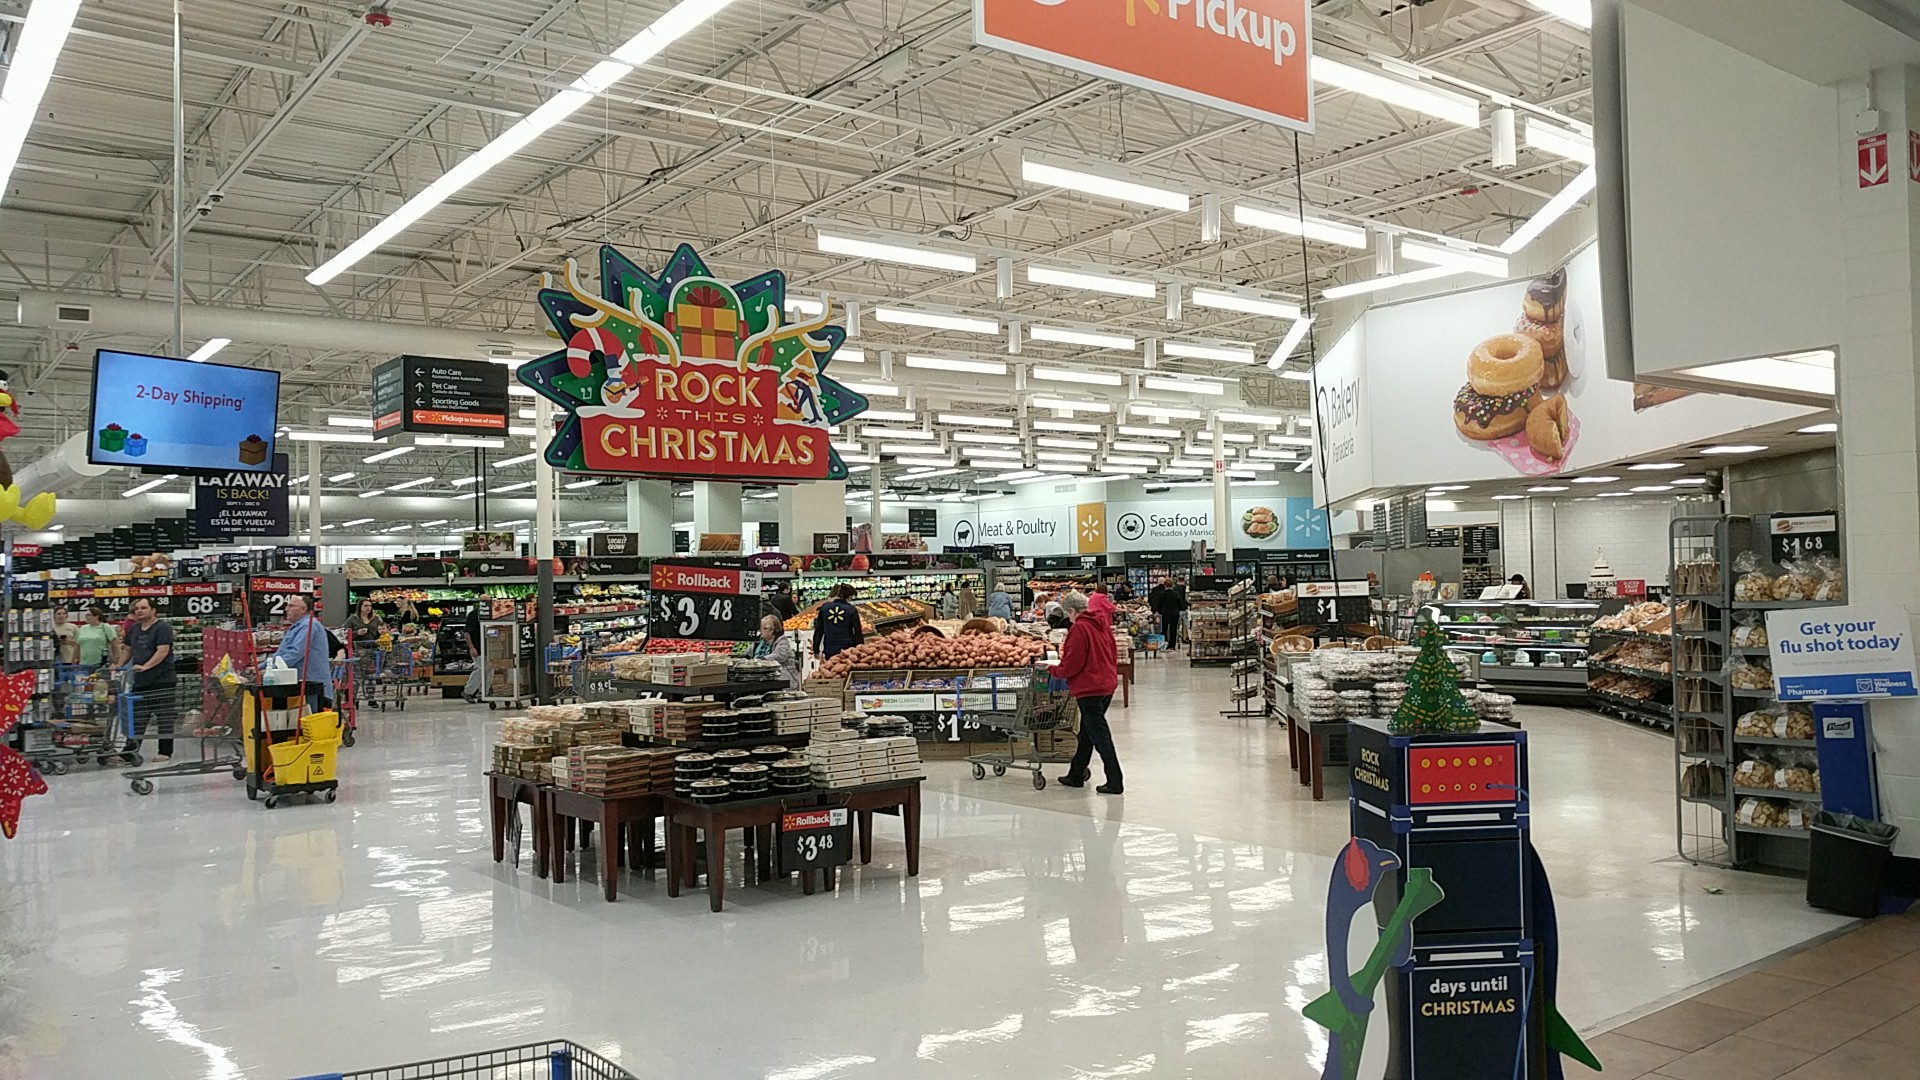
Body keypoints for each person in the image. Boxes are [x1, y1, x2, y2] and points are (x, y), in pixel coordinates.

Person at [1052, 591, 1121, 794]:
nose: (1069, 618)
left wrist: (1054, 670)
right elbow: (1113, 653)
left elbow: (1072, 663)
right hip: (1106, 684)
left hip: (1089, 687)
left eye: (1068, 614)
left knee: (1100, 735)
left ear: (1073, 611)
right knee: (1087, 732)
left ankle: (1115, 780)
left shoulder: (1079, 628)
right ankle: (1076, 774)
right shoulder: (1102, 624)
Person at [121, 597, 175, 763]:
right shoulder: (134, 629)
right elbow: (128, 649)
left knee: (164, 717)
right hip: (140, 680)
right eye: (137, 608)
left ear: (153, 610)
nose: (139, 611)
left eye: (143, 608)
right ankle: (129, 752)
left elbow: (162, 651)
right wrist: (117, 665)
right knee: (137, 718)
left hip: (162, 679)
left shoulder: (162, 628)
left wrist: (146, 666)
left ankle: (165, 752)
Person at [275, 595, 335, 716]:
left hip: (312, 689)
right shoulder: (296, 628)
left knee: (311, 723)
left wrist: (271, 669)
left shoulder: (309, 626)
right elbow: (280, 654)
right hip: (301, 688)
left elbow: (295, 653)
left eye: (291, 606)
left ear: (303, 609)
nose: (286, 609)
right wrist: (260, 667)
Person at [812, 584, 865, 659]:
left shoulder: (825, 607)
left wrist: (816, 649)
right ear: (849, 597)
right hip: (848, 649)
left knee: (831, 665)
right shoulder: (851, 609)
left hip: (830, 647)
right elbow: (857, 631)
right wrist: (861, 648)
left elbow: (819, 630)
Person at [750, 613, 801, 689]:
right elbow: (748, 653)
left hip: (783, 679)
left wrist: (762, 659)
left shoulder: (782, 641)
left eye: (764, 628)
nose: (761, 631)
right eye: (760, 628)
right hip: (763, 679)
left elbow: (779, 655)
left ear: (773, 630)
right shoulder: (759, 642)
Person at [75, 604, 114, 669]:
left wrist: (116, 660)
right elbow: (77, 645)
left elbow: (114, 644)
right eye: (86, 615)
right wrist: (75, 659)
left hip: (101, 663)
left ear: (96, 616)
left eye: (88, 615)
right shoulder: (83, 628)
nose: (86, 617)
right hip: (83, 664)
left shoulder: (105, 627)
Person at [462, 603, 486, 703]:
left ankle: (483, 694)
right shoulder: (474, 614)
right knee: (480, 669)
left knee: (489, 671)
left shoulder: (493, 614)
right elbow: (466, 632)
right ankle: (468, 691)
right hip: (477, 647)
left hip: (490, 648)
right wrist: (471, 647)